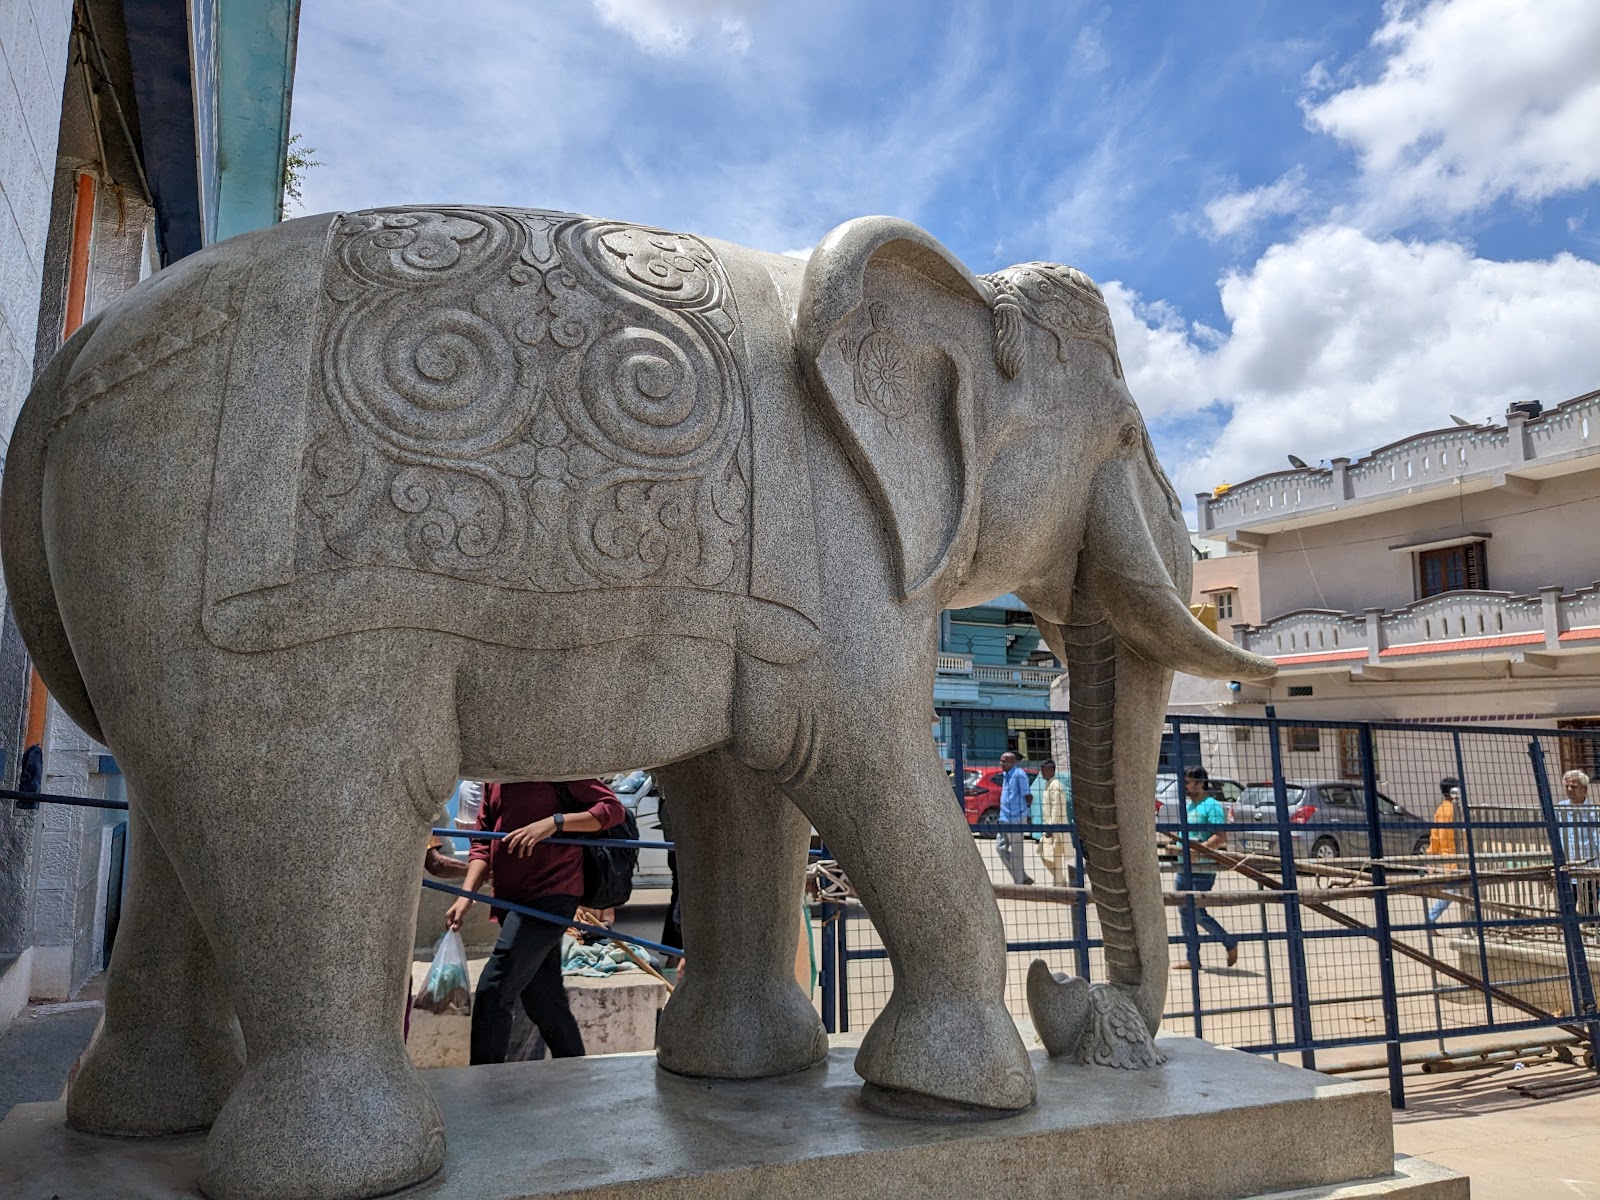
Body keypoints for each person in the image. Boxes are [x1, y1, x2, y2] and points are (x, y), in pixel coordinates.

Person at [445, 778, 626, 1065]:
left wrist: (553, 824)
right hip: (511, 902)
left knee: (494, 989)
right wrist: (464, 896)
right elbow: (483, 842)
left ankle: (485, 1086)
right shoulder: (496, 778)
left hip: (553, 895)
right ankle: (576, 1073)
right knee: (543, 1001)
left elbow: (612, 810)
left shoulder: (555, 764)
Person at [1174, 766, 1238, 970]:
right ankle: (1192, 958)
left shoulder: (1211, 806)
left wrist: (1200, 850)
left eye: (1187, 782)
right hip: (1183, 868)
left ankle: (1228, 941)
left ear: (1200, 784)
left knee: (1197, 912)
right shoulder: (1187, 806)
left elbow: (1220, 836)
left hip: (1202, 871)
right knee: (1185, 913)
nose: (1184, 786)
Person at [1559, 769, 1596, 915]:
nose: (1569, 790)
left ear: (1584, 789)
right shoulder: (1560, 809)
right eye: (1567, 786)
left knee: (1590, 907)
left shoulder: (1593, 811)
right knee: (1566, 907)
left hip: (1589, 865)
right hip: (1566, 864)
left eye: (1573, 787)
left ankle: (1592, 933)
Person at [996, 751, 1034, 885]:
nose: (1001, 763)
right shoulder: (1006, 775)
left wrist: (1025, 815)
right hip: (1004, 818)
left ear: (1012, 762)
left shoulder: (1019, 774)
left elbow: (1028, 796)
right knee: (1000, 848)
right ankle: (1022, 876)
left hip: (1016, 818)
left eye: (1003, 760)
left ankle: (1019, 883)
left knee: (1017, 851)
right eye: (1000, 760)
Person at [1426, 778, 1460, 925]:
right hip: (1455, 857)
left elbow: (1435, 836)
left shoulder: (1440, 809)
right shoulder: (1454, 810)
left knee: (1458, 890)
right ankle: (1430, 919)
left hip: (1448, 857)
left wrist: (1431, 857)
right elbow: (1459, 835)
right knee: (1452, 891)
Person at [1038, 759, 1073, 886]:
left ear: (1051, 771)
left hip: (1056, 829)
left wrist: (1051, 827)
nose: (1041, 773)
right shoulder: (1049, 784)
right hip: (1051, 827)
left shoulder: (1055, 785)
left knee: (1053, 857)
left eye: (1044, 770)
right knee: (1045, 854)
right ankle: (1060, 882)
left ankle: (1060, 884)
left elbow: (1056, 808)